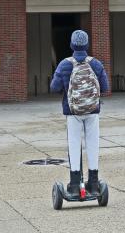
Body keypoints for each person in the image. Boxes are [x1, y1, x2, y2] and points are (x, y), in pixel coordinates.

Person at [50, 30, 110, 198]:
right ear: (87, 44)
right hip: (93, 111)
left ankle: (75, 185)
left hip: (72, 112)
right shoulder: (96, 64)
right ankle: (94, 184)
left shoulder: (64, 64)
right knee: (93, 144)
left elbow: (54, 87)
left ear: (71, 45)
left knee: (74, 144)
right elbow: (105, 87)